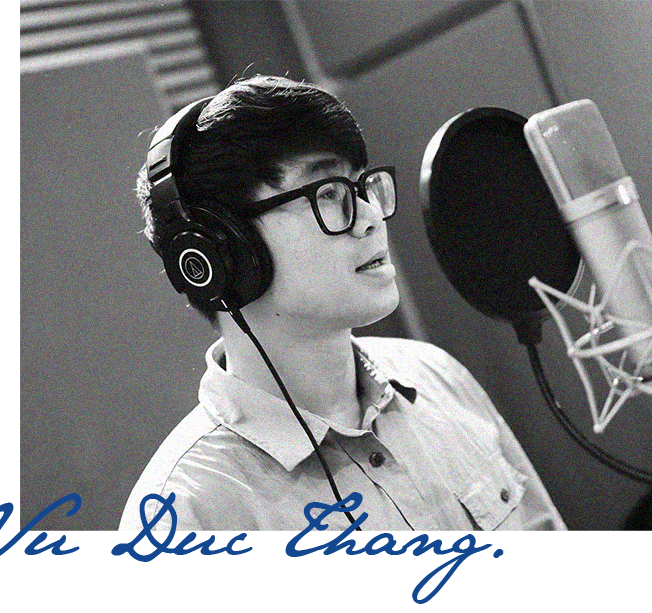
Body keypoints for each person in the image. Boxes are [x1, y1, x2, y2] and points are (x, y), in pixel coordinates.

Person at [119, 74, 566, 531]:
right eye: (328, 193)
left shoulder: (437, 376)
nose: (371, 217)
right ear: (223, 252)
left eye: (363, 186)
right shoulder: (185, 512)